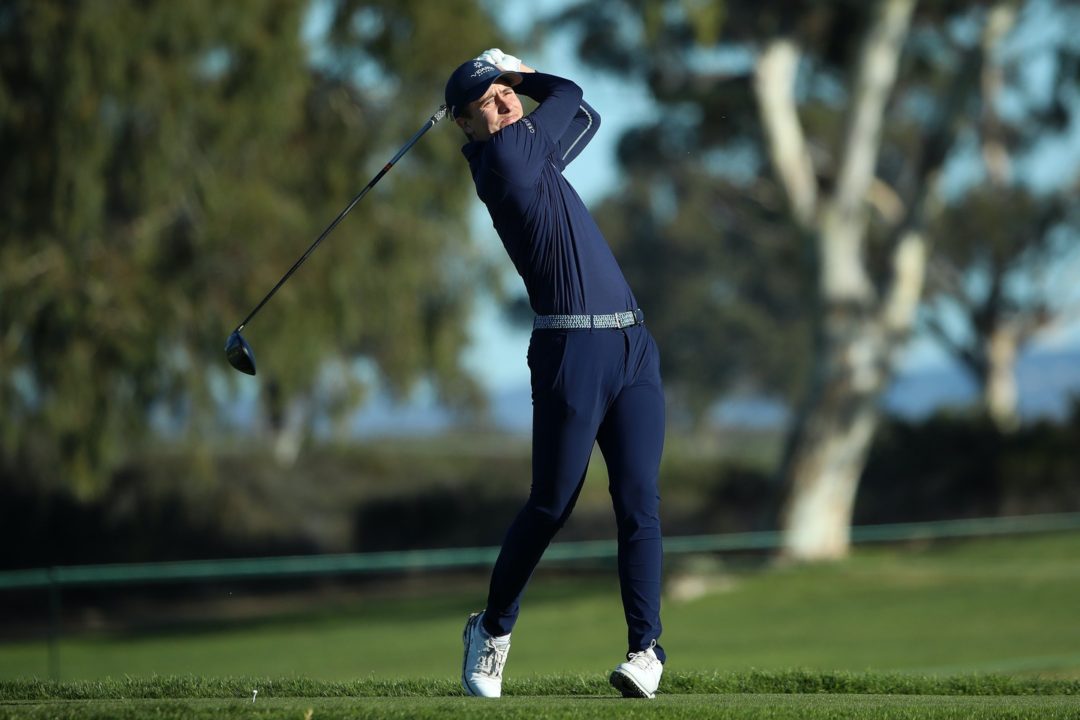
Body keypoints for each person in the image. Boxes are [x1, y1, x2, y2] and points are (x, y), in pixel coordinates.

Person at [446, 49, 667, 700]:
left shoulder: (529, 153)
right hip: (571, 352)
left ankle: (645, 650)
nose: (506, 102)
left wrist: (506, 78)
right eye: (489, 101)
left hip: (631, 343)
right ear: (466, 125)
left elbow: (585, 117)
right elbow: (569, 91)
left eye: (508, 93)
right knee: (551, 505)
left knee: (638, 503)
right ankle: (491, 630)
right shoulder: (510, 160)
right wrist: (520, 68)